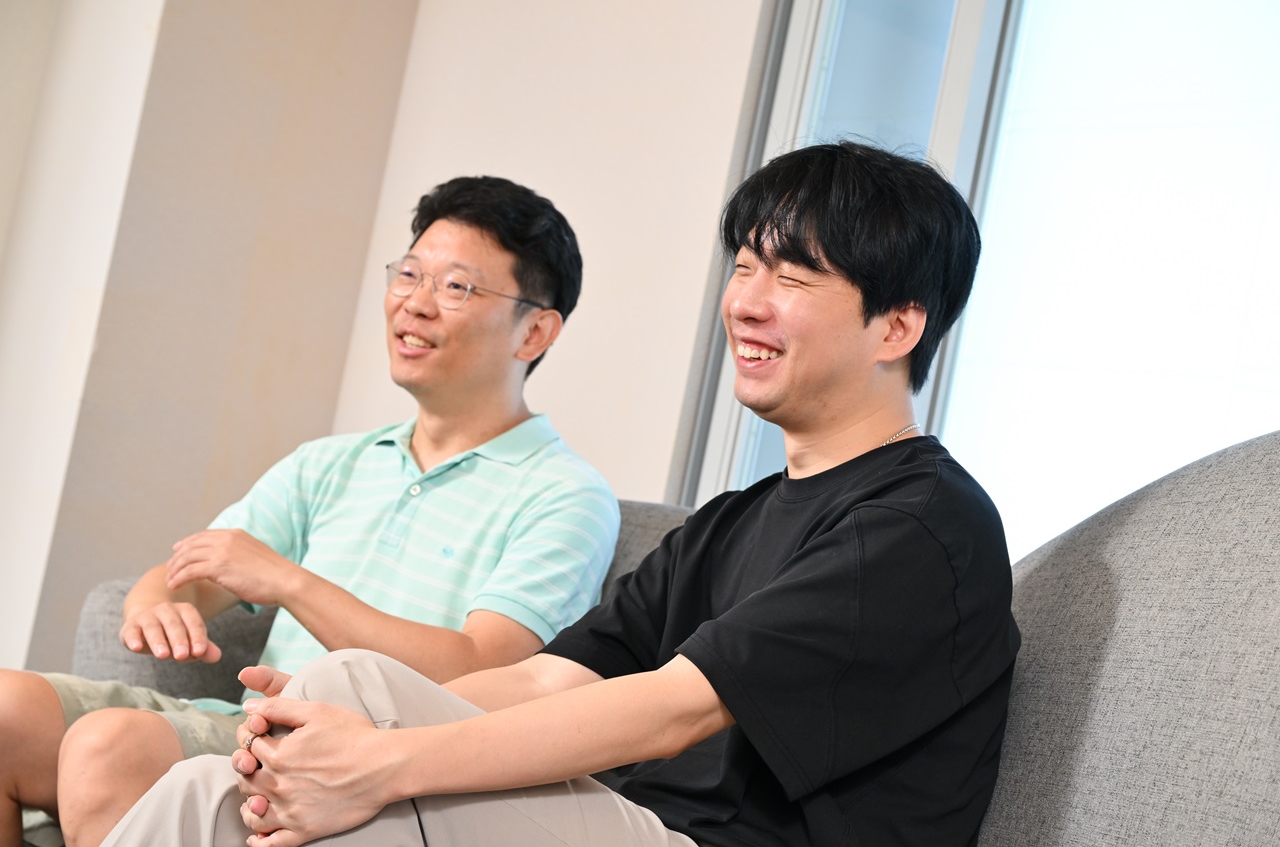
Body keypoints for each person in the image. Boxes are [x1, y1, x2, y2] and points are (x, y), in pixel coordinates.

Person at [104, 141, 1021, 847]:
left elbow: (674, 709)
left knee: (352, 747)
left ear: (897, 326)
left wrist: (383, 757)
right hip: (638, 827)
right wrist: (344, 722)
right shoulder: (731, 522)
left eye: (792, 276)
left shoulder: (921, 525)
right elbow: (550, 675)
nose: (746, 301)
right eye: (744, 266)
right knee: (233, 769)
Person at [0, 176, 620, 847]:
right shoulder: (331, 463)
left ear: (534, 331)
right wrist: (156, 602)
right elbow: (198, 573)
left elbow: (484, 670)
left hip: (354, 757)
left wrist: (291, 582)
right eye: (409, 274)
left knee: (106, 747)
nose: (414, 303)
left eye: (456, 287)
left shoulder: (565, 494)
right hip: (236, 723)